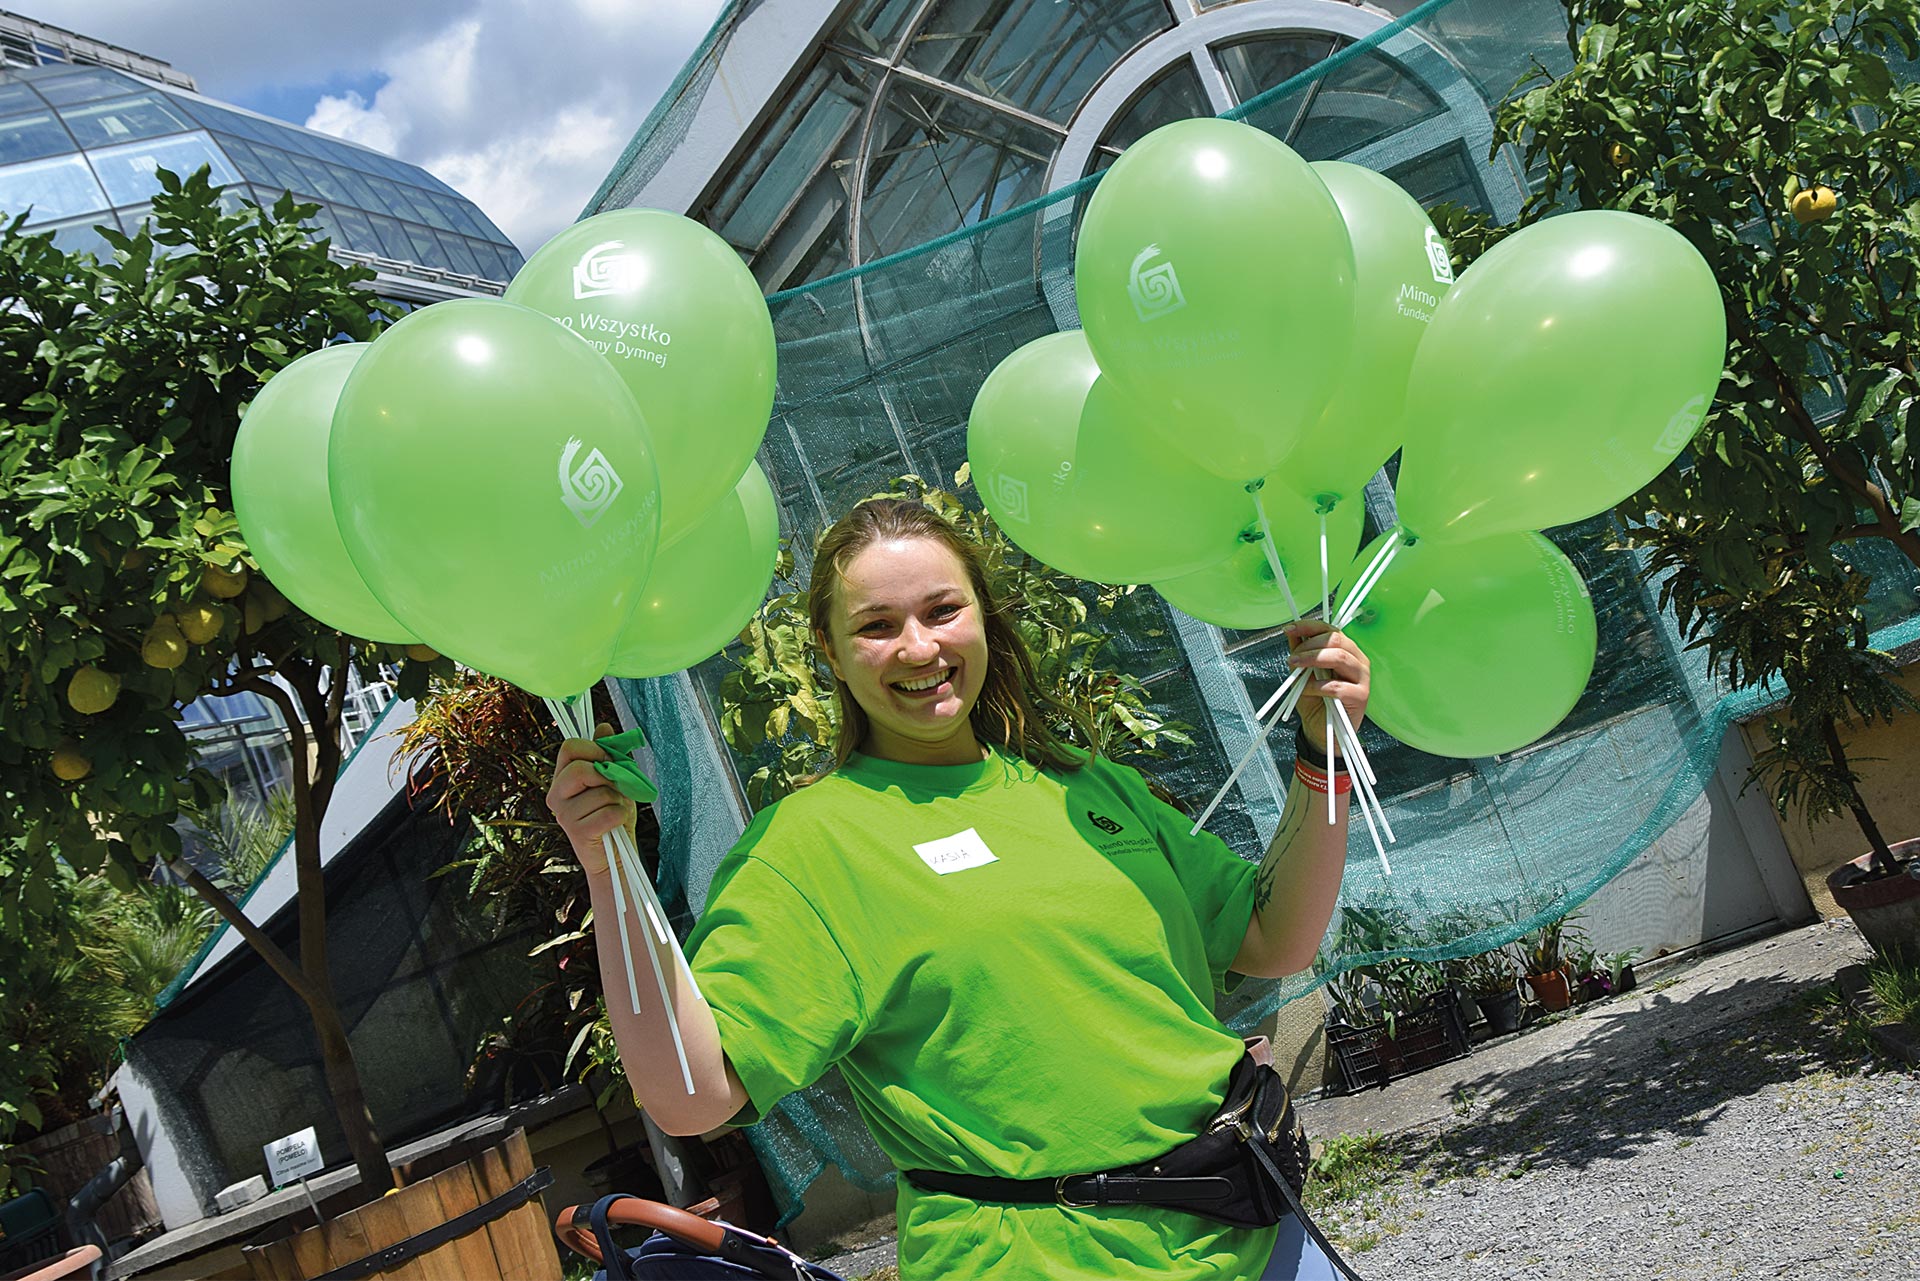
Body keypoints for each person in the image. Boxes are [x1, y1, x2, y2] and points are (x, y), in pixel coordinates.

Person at [548, 498, 1370, 1280]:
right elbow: (692, 1094)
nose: (918, 647)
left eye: (942, 610)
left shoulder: (1088, 788)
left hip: (1256, 1235)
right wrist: (605, 862)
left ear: (983, 616)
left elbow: (1273, 938)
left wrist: (1325, 747)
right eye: (876, 625)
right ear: (830, 653)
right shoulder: (808, 848)